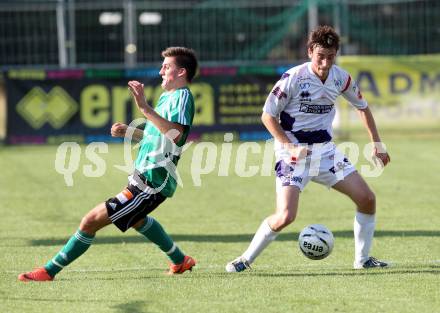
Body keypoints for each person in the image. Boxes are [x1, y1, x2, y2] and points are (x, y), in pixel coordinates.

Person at [19, 46, 199, 281]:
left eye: (166, 67)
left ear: (181, 72)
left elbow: (176, 136)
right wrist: (130, 131)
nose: (161, 71)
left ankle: (49, 271)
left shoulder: (183, 96)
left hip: (152, 182)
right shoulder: (167, 97)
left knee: (90, 221)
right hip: (143, 175)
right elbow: (156, 135)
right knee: (136, 219)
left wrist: (144, 108)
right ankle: (180, 260)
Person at [226, 25, 391, 272]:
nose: (325, 63)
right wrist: (289, 147)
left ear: (336, 54)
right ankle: (244, 260)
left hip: (325, 152)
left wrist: (376, 143)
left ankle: (362, 260)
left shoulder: (341, 78)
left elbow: (362, 107)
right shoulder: (293, 78)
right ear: (310, 51)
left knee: (367, 199)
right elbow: (267, 116)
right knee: (285, 216)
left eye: (330, 56)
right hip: (292, 154)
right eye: (320, 56)